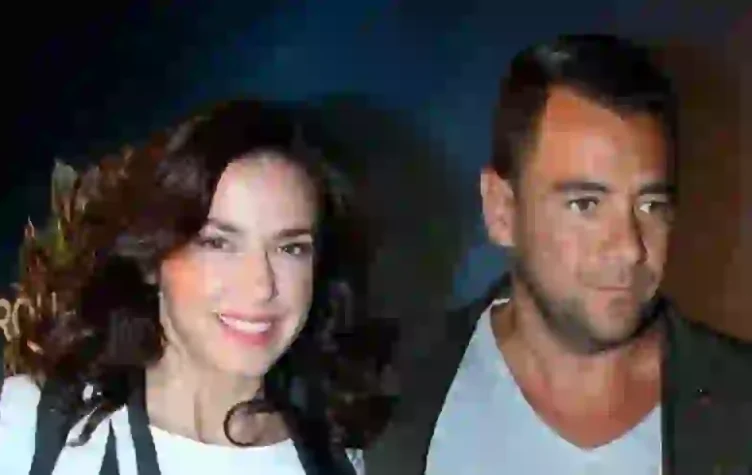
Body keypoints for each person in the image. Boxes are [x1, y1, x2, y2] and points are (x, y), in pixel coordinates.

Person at [365, 34, 752, 475]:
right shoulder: (383, 391)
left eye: (650, 205)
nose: (629, 248)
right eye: (586, 204)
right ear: (502, 209)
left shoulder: (741, 405)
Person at [0, 99, 387, 474]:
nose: (261, 286)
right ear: (152, 259)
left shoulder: (337, 459)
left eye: (290, 248)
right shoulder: (30, 427)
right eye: (218, 243)